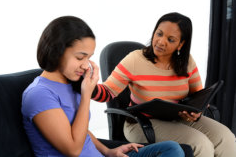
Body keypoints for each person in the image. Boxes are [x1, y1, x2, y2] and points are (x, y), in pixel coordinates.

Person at [21, 16, 185, 157]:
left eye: (89, 58)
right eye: (80, 58)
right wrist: (86, 95)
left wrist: (108, 151)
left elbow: (79, 129)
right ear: (57, 51)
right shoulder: (39, 94)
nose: (86, 66)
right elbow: (73, 149)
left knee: (171, 149)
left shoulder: (68, 82)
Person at [92, 12, 236, 157]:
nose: (161, 42)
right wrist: (87, 85)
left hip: (178, 119)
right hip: (142, 123)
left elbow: (198, 96)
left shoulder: (187, 62)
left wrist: (196, 112)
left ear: (181, 44)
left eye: (170, 39)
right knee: (200, 144)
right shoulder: (135, 60)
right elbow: (107, 92)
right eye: (159, 34)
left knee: (227, 138)